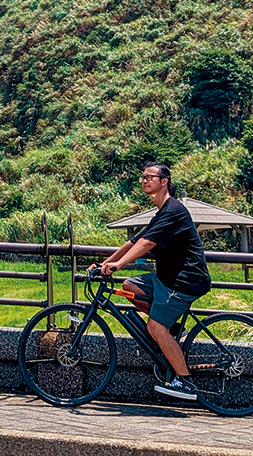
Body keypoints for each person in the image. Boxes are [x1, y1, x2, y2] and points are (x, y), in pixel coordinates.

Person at [91, 161, 211, 401]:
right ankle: (173, 328)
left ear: (164, 181)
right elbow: (135, 242)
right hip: (166, 278)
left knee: (154, 328)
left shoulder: (174, 211)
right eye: (143, 177)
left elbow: (147, 245)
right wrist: (104, 262)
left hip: (184, 280)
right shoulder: (161, 212)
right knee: (129, 286)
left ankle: (185, 382)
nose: (145, 180)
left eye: (149, 177)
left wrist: (119, 265)